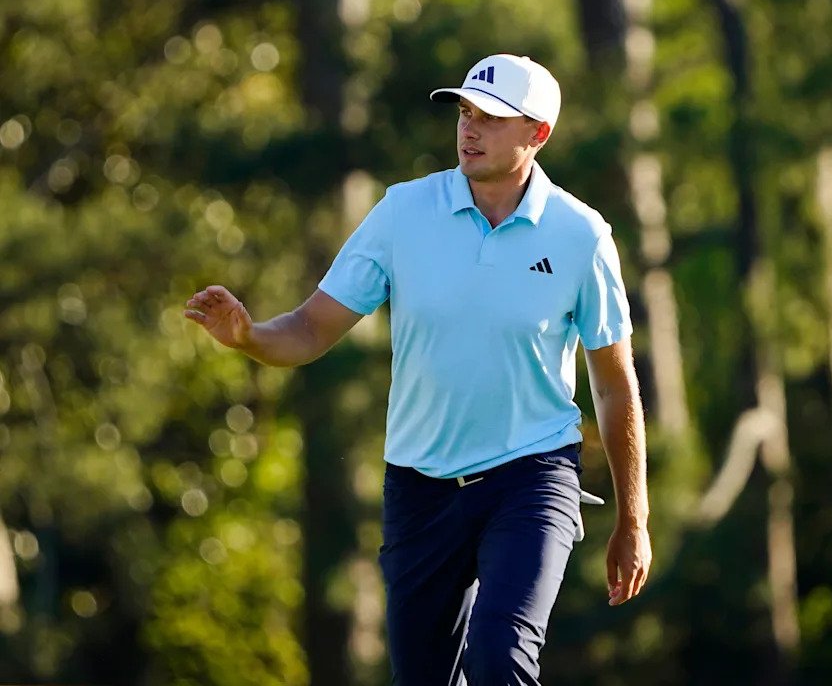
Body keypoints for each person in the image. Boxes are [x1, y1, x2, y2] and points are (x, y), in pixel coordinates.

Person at [185, 53, 652, 686]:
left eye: (491, 118)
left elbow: (614, 384)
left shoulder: (581, 236)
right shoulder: (403, 213)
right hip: (420, 483)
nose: (470, 129)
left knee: (500, 654)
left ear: (537, 134)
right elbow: (310, 328)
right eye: (465, 112)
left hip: (531, 476)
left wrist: (633, 521)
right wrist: (247, 337)